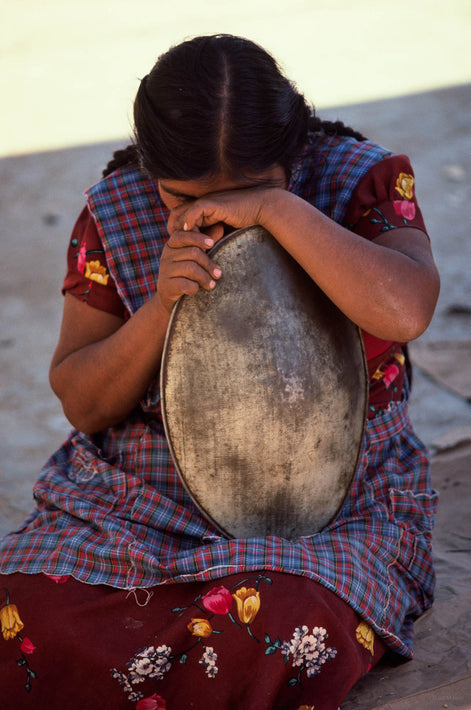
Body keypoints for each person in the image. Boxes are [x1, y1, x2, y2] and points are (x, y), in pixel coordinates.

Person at [0, 34, 440, 709]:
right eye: (183, 198)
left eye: (252, 189)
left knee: (282, 623)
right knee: (19, 611)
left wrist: (277, 211)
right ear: (150, 169)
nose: (216, 216)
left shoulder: (355, 181)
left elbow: (406, 310)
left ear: (293, 155)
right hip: (146, 494)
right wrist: (159, 306)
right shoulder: (115, 212)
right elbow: (85, 406)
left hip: (330, 501)